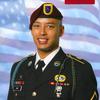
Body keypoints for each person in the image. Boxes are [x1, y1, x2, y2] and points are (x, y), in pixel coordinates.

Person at [7, 2, 99, 100]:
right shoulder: (19, 67)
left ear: (61, 30)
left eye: (50, 26)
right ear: (31, 31)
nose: (42, 32)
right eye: (37, 26)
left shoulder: (78, 70)